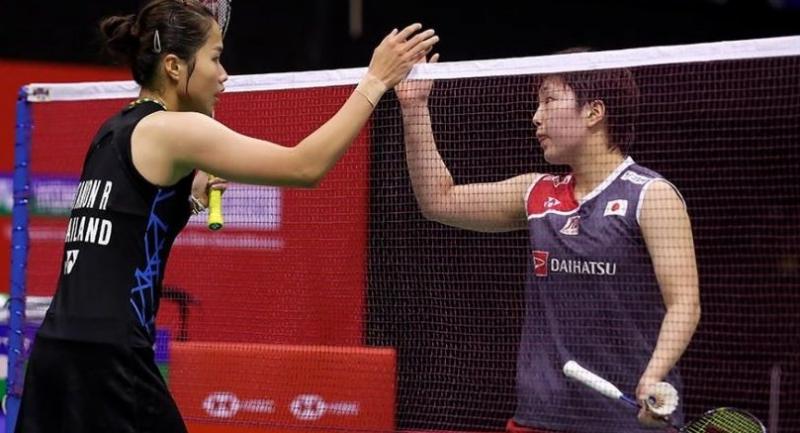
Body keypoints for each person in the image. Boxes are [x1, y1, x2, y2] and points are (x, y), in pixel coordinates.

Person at [14, 1, 438, 432]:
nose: (224, 74)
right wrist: (375, 81)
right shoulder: (176, 130)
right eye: (215, 58)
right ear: (174, 67)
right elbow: (304, 167)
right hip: (109, 359)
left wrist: (188, 200)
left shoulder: (113, 129)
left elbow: (127, 232)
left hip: (57, 353)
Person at [396, 51, 700, 433]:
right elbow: (439, 201)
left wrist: (653, 376)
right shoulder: (537, 194)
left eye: (549, 100)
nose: (536, 117)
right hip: (539, 419)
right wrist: (414, 108)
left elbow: (684, 303)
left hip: (628, 419)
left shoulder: (651, 196)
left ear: (594, 112)